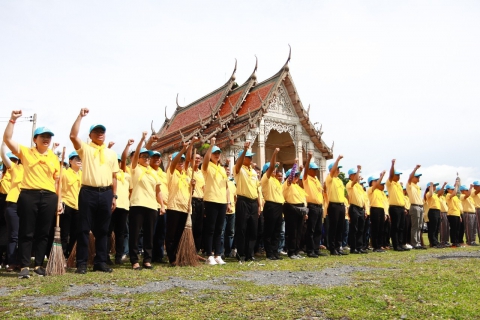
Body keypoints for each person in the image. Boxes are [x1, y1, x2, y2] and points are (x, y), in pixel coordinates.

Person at [4, 110, 62, 278]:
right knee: (26, 231)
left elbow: (58, 182)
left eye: (48, 137)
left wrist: (60, 201)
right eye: (42, 136)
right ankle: (24, 265)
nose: (46, 139)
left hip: (50, 196)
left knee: (43, 232)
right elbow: (7, 139)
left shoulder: (54, 158)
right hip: (29, 195)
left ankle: (38, 265)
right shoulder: (26, 152)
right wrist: (13, 120)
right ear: (35, 139)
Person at [70, 108, 119, 274]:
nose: (100, 134)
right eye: (96, 131)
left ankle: (100, 262)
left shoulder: (111, 154)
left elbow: (114, 176)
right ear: (90, 135)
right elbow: (73, 136)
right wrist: (80, 117)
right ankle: (82, 263)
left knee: (103, 230)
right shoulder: (85, 149)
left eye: (102, 131)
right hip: (88, 192)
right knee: (84, 228)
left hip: (106, 193)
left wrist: (114, 196)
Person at [129, 132, 166, 270]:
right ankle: (134, 260)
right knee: (135, 233)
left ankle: (147, 259)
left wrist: (161, 205)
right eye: (143, 156)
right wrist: (144, 140)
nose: (146, 158)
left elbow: (158, 191)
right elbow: (139, 151)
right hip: (137, 204)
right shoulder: (135, 168)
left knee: (149, 234)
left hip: (151, 206)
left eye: (147, 157)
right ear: (138, 158)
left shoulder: (153, 172)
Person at [201, 137, 230, 265]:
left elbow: (226, 186)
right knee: (210, 229)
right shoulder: (207, 166)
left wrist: (228, 202)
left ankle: (218, 254)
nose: (217, 155)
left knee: (219, 229)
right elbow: (205, 160)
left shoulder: (222, 169)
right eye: (214, 153)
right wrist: (211, 145)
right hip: (211, 199)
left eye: (218, 153)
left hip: (222, 201)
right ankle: (209, 255)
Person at [165, 142, 195, 266]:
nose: (181, 163)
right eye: (179, 161)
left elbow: (190, 192)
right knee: (171, 234)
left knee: (178, 233)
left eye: (182, 161)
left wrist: (193, 185)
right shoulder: (171, 172)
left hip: (184, 208)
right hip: (173, 206)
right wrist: (183, 150)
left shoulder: (187, 176)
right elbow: (173, 163)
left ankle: (176, 255)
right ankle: (171, 257)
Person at [234, 141, 261, 263]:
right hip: (243, 201)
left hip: (253, 202)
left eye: (251, 156)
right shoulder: (238, 169)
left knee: (253, 228)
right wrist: (244, 149)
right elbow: (238, 164)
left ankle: (250, 253)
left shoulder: (254, 171)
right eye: (248, 156)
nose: (250, 158)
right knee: (242, 228)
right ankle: (241, 253)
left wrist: (259, 205)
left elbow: (256, 188)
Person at [107, 140, 132, 265]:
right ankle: (105, 255)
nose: (117, 163)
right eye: (115, 162)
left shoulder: (126, 174)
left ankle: (118, 256)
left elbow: (131, 190)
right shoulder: (108, 173)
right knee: (107, 231)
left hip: (123, 206)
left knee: (120, 233)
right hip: (110, 205)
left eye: (118, 162)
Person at [0, 142, 23, 271]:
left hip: (24, 203)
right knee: (11, 234)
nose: (13, 161)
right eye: (11, 159)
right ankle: (11, 261)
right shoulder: (9, 171)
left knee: (22, 234)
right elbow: (3, 155)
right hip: (8, 202)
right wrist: (5, 141)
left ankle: (21, 261)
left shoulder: (27, 170)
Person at [261, 148, 285, 260]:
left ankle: (275, 252)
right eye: (273, 169)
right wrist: (274, 154)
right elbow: (271, 168)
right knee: (269, 230)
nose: (275, 171)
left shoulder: (276, 181)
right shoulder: (266, 178)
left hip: (279, 206)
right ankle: (269, 252)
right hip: (270, 206)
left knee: (277, 230)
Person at [59, 151, 82, 259]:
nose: (79, 161)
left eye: (80, 159)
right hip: (66, 204)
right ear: (70, 161)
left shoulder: (83, 174)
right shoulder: (64, 172)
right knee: (64, 233)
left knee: (75, 233)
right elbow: (58, 186)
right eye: (76, 159)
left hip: (78, 206)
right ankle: (62, 255)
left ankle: (71, 255)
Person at [283, 162, 307, 259]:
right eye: (295, 176)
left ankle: (296, 251)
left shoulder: (297, 186)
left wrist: (305, 211)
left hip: (300, 209)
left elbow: (302, 198)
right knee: (292, 231)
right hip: (291, 208)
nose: (297, 177)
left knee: (299, 231)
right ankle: (291, 252)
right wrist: (294, 165)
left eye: (298, 176)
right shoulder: (287, 184)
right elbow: (291, 177)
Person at [325, 155, 348, 256]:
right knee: (333, 227)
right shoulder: (330, 179)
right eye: (337, 169)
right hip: (333, 205)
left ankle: (339, 247)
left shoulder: (339, 180)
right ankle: (332, 248)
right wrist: (337, 160)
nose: (338, 171)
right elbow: (332, 171)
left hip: (341, 205)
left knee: (340, 227)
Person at [386, 160, 408, 251]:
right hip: (394, 207)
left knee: (401, 227)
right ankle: (395, 245)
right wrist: (392, 164)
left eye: (399, 175)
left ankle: (400, 243)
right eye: (397, 175)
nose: (399, 176)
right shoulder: (390, 183)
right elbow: (390, 175)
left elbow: (401, 197)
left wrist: (404, 207)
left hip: (401, 208)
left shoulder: (399, 185)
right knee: (395, 226)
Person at [346, 166, 368, 254]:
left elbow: (363, 198)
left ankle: (359, 247)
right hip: (354, 207)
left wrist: (365, 209)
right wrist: (358, 170)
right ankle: (353, 247)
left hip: (360, 208)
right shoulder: (349, 183)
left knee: (361, 228)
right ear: (351, 176)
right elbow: (354, 181)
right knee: (354, 228)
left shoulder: (359, 186)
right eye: (356, 174)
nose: (358, 176)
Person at [406, 165, 425, 250]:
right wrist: (415, 169)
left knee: (419, 226)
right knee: (415, 225)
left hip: (420, 207)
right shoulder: (410, 184)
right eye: (416, 177)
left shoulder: (417, 187)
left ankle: (418, 242)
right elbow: (409, 178)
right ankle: (414, 243)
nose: (418, 179)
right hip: (414, 206)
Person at [368, 172, 387, 253]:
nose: (377, 182)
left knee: (381, 228)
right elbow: (376, 185)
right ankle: (375, 246)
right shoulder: (370, 189)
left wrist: (385, 213)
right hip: (374, 209)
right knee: (375, 228)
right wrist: (381, 176)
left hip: (381, 209)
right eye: (375, 181)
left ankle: (380, 245)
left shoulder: (379, 191)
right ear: (371, 182)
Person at [221, 165, 236, 258]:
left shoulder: (232, 183)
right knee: (222, 231)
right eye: (225, 170)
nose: (227, 171)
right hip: (223, 210)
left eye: (228, 170)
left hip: (232, 211)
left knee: (230, 232)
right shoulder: (221, 182)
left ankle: (228, 251)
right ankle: (220, 251)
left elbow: (235, 197)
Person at [424, 182, 442, 248]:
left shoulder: (435, 195)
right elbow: (430, 193)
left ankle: (436, 242)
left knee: (437, 228)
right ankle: (433, 243)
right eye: (433, 186)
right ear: (429, 187)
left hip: (437, 211)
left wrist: (443, 185)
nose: (435, 187)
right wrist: (431, 185)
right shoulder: (428, 193)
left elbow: (440, 193)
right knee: (432, 228)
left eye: (435, 186)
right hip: (432, 211)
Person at [446, 183, 462, 247]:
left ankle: (457, 241)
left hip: (457, 214)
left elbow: (457, 206)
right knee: (453, 228)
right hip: (452, 214)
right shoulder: (448, 195)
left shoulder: (455, 197)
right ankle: (453, 242)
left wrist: (460, 215)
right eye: (451, 189)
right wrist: (456, 186)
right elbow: (454, 193)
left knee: (458, 229)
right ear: (447, 190)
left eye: (453, 189)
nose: (453, 190)